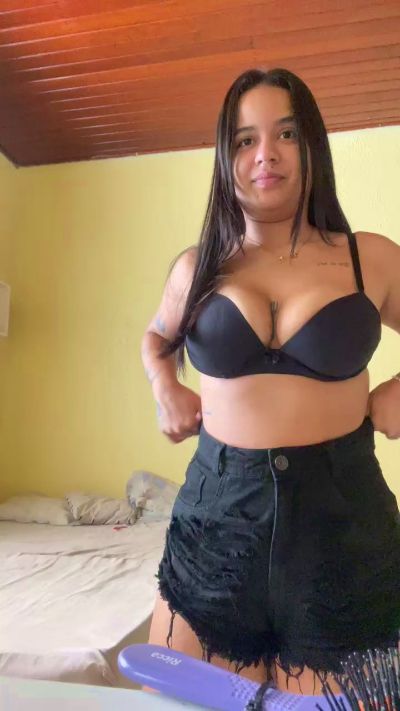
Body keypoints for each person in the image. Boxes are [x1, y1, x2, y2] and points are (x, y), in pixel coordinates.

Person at [140, 67, 400, 696]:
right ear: (225, 157)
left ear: (311, 145)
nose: (266, 154)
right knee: (185, 705)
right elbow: (156, 339)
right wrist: (164, 385)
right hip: (215, 524)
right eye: (245, 140)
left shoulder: (370, 256)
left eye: (285, 133)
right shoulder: (197, 268)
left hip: (344, 526)